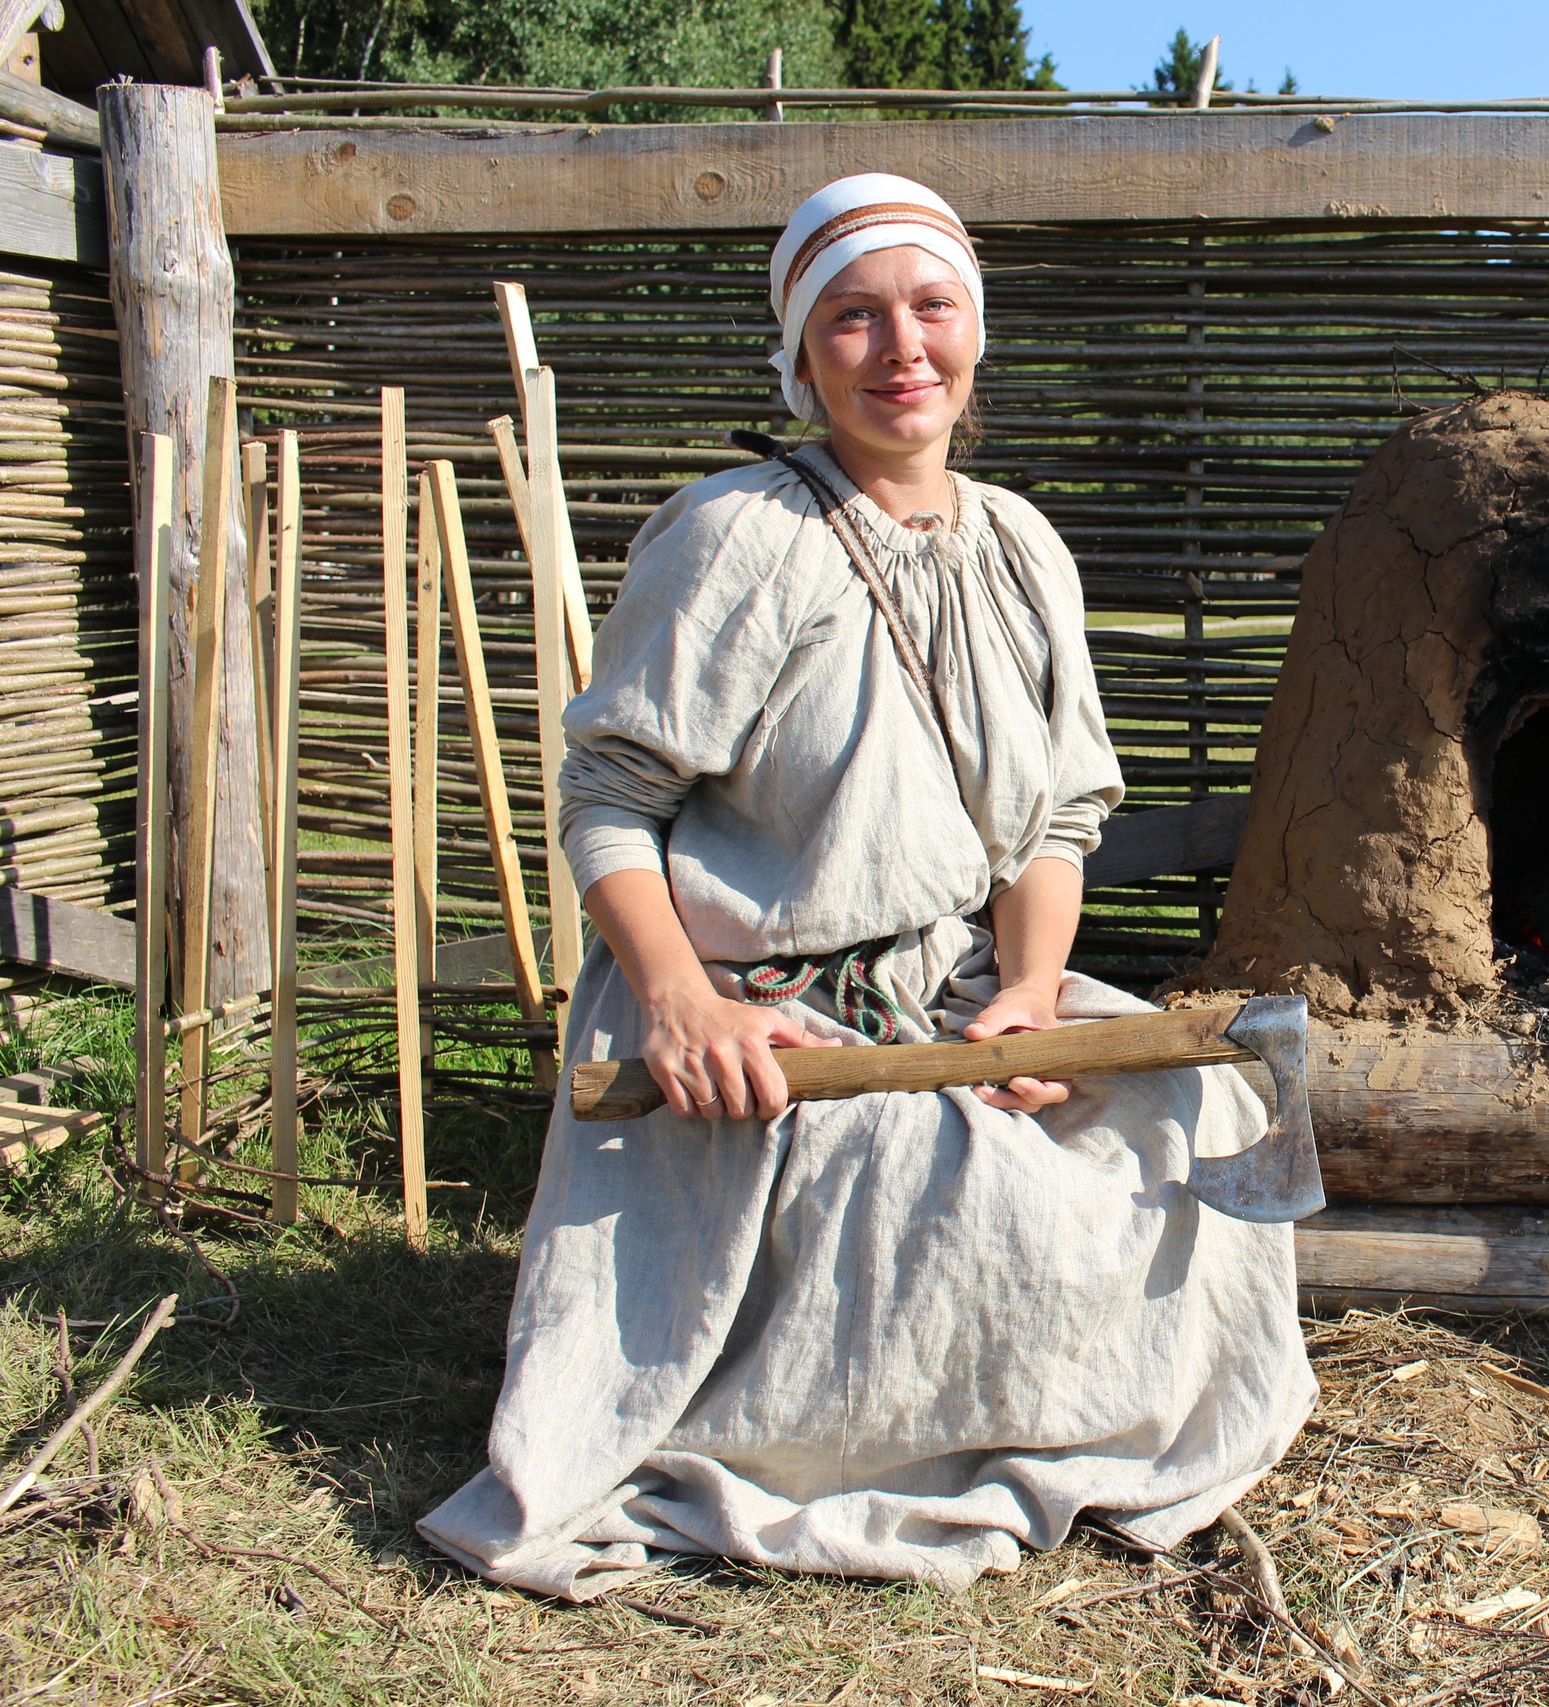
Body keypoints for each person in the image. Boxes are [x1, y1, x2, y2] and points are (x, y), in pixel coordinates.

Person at [418, 174, 1316, 1597]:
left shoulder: (1021, 545)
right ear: (800, 352)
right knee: (938, 1185)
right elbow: (608, 797)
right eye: (854, 316)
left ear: (975, 330)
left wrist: (1027, 993)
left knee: (1190, 1100)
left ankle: (1062, 1419)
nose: (901, 345)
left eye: (931, 306)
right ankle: (860, 1445)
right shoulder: (740, 537)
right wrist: (677, 1004)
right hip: (761, 1007)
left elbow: (1053, 825)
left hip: (955, 985)